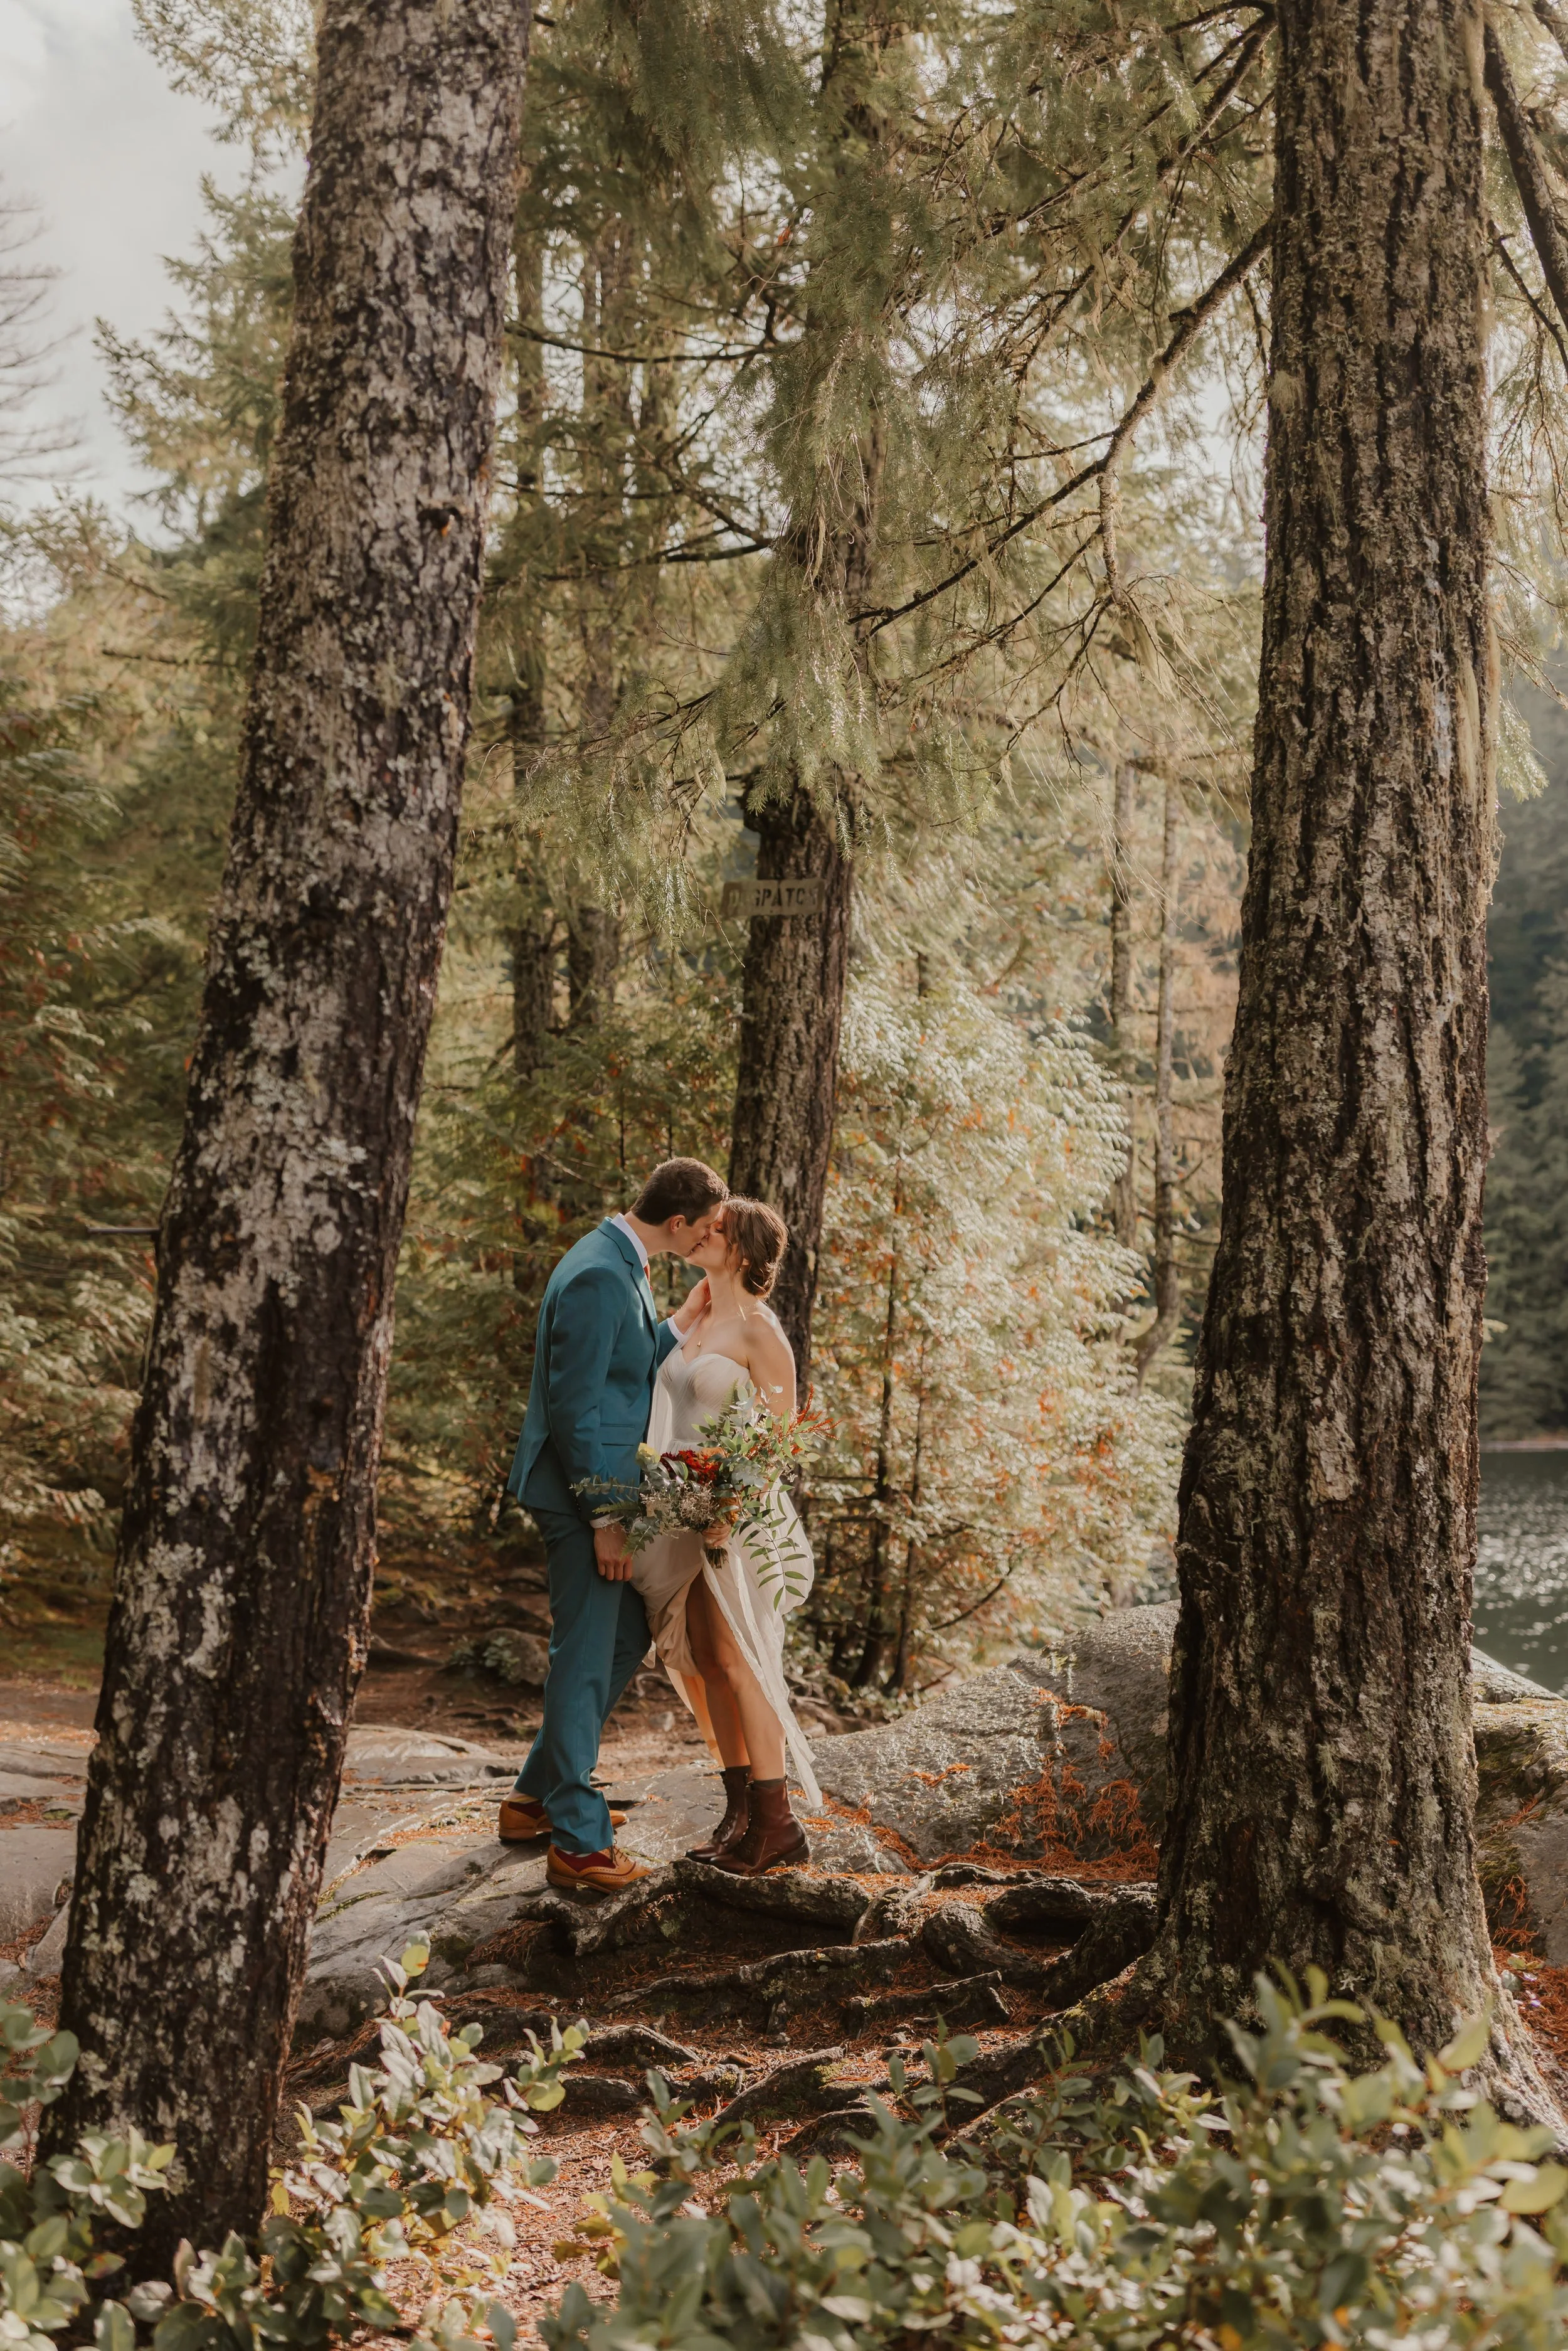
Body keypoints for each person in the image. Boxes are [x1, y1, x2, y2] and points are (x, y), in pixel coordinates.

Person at [500, 1157, 726, 1891]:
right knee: (585, 1651)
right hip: (578, 1497)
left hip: (593, 1491)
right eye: (706, 1229)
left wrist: (683, 1320)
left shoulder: (616, 1258)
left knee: (622, 1636)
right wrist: (604, 1514)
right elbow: (576, 1409)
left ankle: (534, 1798)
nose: (708, 1240)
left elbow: (620, 1371)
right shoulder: (601, 1271)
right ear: (678, 1224)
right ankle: (578, 1842)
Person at [632, 1197, 819, 1875]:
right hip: (682, 1510)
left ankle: (778, 1824)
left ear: (741, 1249)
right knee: (708, 1663)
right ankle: (738, 1812)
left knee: (742, 1663)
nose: (703, 1231)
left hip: (734, 1520)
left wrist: (729, 1505)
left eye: (717, 1228)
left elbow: (778, 1440)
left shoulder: (761, 1333)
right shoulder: (701, 1313)